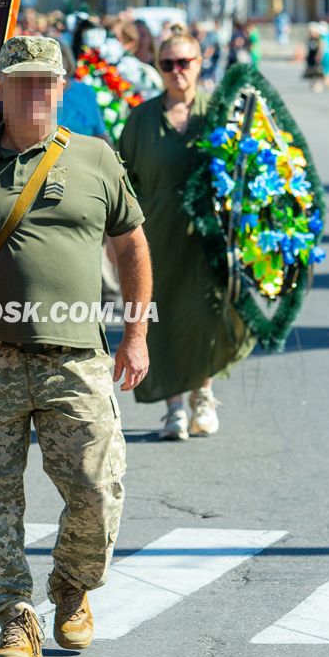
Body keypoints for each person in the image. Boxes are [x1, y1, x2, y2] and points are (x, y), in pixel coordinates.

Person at [0, 35, 152, 657]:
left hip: (76, 356)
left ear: (62, 87)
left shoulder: (96, 159)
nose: (34, 93)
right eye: (20, 82)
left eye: (45, 82)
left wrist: (135, 333)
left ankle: (71, 586)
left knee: (98, 488)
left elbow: (130, 247)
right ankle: (15, 618)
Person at [119, 25, 247, 440]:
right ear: (157, 66)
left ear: (200, 62)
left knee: (208, 313)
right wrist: (112, 238)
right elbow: (123, 182)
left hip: (210, 236)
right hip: (156, 234)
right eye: (167, 63)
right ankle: (174, 407)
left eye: (184, 62)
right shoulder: (140, 119)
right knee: (163, 315)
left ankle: (203, 396)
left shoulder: (220, 113)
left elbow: (248, 172)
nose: (177, 71)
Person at [57, 41, 109, 140]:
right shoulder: (35, 95)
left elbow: (100, 133)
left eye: (61, 54)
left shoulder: (85, 91)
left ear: (68, 60)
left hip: (86, 152)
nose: (56, 60)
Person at [303, 22, 325, 91]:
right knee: (310, 72)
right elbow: (307, 48)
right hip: (310, 57)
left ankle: (318, 86)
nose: (311, 33)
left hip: (316, 58)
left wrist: (319, 56)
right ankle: (311, 85)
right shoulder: (309, 39)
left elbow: (321, 48)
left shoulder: (319, 39)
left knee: (317, 73)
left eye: (312, 32)